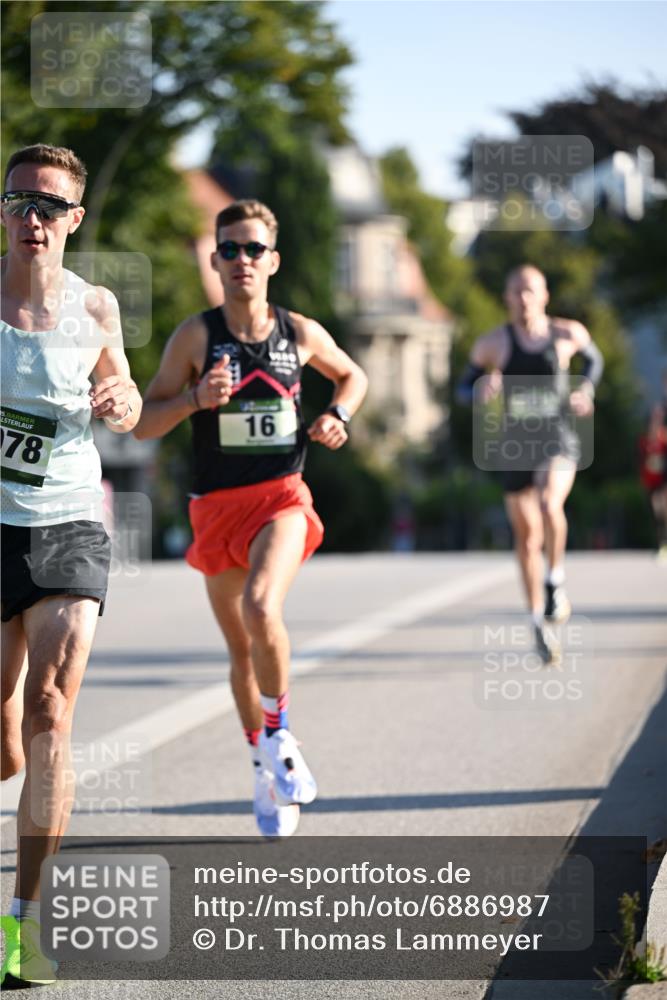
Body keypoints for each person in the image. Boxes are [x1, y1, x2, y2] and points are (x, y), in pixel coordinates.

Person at [134, 199, 367, 837]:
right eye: (230, 249)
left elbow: (352, 375)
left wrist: (337, 415)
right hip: (217, 508)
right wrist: (193, 398)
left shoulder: (298, 333)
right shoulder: (196, 336)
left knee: (263, 609)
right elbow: (143, 422)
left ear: (273, 260)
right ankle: (265, 766)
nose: (241, 260)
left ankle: (281, 734)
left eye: (253, 249)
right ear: (214, 260)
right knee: (240, 648)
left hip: (281, 496)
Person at [0, 144, 142, 987]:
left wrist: (121, 400)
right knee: (6, 747)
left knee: (50, 715)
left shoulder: (95, 307)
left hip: (65, 527)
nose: (32, 218)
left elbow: (119, 393)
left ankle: (22, 923)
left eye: (50, 206)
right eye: (19, 202)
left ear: (74, 220)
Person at [457, 264, 603, 663]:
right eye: (516, 291)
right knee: (525, 540)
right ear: (506, 297)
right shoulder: (493, 344)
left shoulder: (566, 334)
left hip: (558, 439)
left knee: (548, 504)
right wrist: (480, 388)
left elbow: (593, 362)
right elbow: (462, 387)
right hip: (515, 445)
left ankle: (555, 580)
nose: (523, 299)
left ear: (545, 295)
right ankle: (536, 619)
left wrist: (585, 390)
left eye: (530, 291)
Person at [639, 403, 667, 560]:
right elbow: (639, 461)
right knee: (656, 514)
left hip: (663, 483)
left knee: (663, 510)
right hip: (651, 483)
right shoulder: (643, 441)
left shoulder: (664, 439)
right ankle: (661, 544)